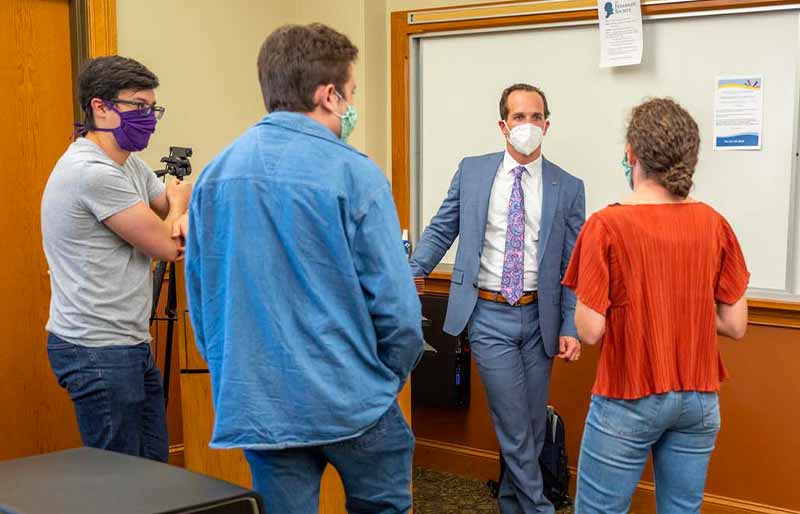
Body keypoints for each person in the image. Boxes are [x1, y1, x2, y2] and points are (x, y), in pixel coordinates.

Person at [183, 23, 424, 514]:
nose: (352, 105)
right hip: (354, 399)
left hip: (263, 404)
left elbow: (203, 304)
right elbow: (399, 313)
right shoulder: (356, 175)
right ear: (329, 95)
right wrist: (385, 380)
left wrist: (242, 374)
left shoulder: (214, 175)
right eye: (352, 93)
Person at [562, 98, 750, 514]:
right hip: (699, 398)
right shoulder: (714, 223)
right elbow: (736, 324)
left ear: (632, 154)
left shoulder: (605, 226)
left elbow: (590, 331)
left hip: (628, 391)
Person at [409, 83, 585, 514]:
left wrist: (569, 326)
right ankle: (539, 508)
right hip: (487, 314)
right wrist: (406, 275)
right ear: (503, 125)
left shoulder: (568, 186)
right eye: (519, 117)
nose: (528, 125)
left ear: (547, 123)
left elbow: (573, 269)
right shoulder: (472, 171)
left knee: (530, 428)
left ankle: (513, 506)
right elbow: (440, 230)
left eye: (536, 116)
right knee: (513, 425)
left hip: (539, 317)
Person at [41, 55, 191, 461]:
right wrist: (180, 202)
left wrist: (176, 208)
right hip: (96, 350)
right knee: (119, 483)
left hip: (129, 342)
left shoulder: (128, 163)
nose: (149, 118)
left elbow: (165, 213)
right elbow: (169, 245)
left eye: (152, 108)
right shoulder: (92, 172)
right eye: (137, 107)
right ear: (100, 107)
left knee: (153, 471)